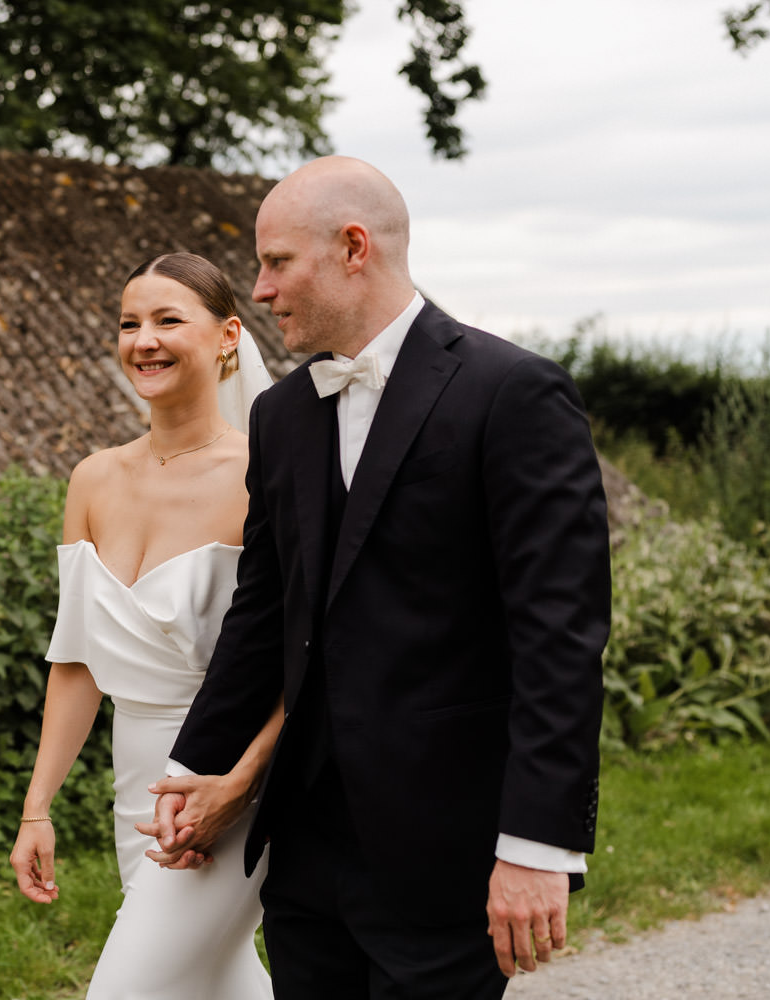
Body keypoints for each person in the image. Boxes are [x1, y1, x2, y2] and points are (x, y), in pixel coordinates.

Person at [145, 156, 612, 998]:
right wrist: (196, 764)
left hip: (447, 849)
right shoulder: (281, 416)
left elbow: (560, 638)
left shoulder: (511, 393)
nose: (260, 288)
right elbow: (265, 610)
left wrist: (535, 846)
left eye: (277, 262)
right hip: (303, 848)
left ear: (353, 247)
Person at [8, 252, 280, 999]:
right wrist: (39, 807)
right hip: (137, 786)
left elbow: (308, 655)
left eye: (168, 320)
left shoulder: (266, 475)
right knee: (219, 979)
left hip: (231, 783)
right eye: (130, 323)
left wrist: (236, 782)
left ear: (228, 336)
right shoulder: (94, 478)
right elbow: (77, 660)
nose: (144, 340)